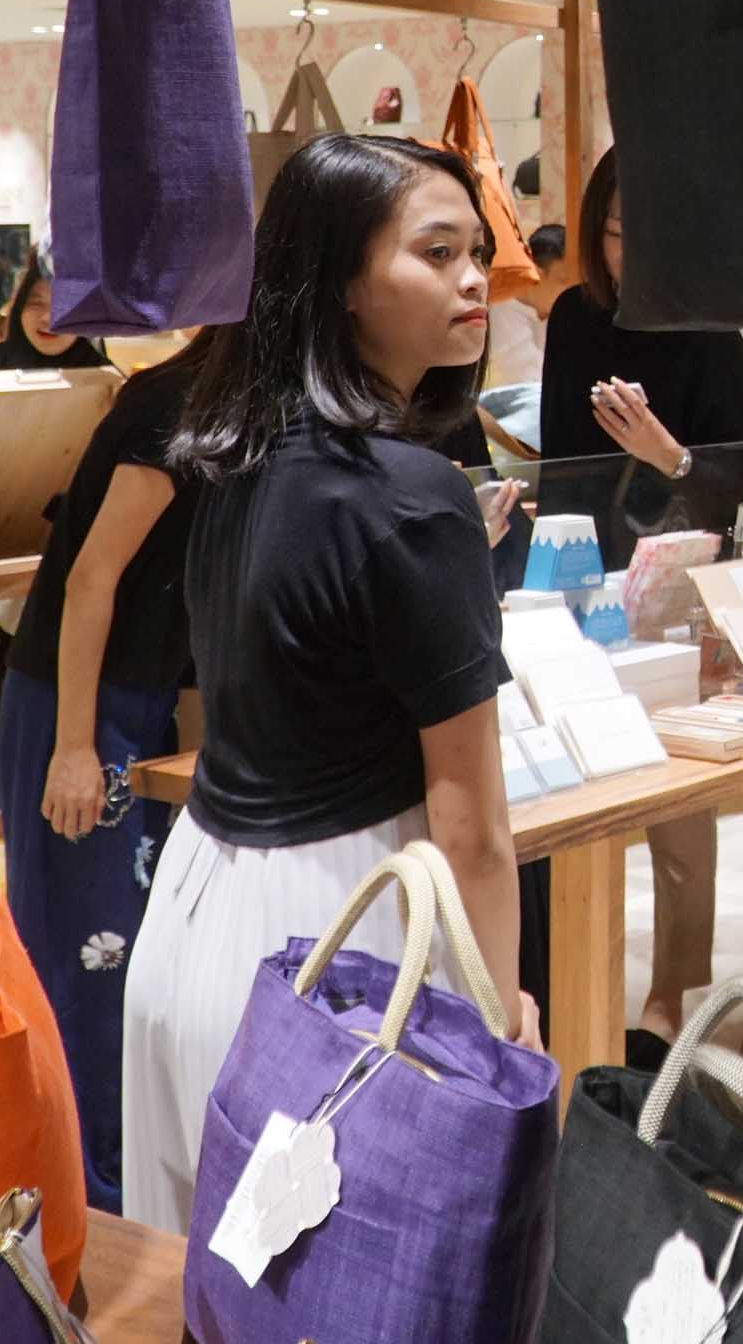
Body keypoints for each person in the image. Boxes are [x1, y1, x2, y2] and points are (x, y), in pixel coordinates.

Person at [118, 135, 534, 1234]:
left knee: (201, 1284)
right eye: (436, 253)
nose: (473, 279)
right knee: (357, 1286)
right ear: (342, 281)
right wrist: (499, 1015)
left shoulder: (231, 459)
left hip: (194, 914)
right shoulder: (413, 497)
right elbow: (474, 831)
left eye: (476, 252)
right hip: (342, 931)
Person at [537, 147, 743, 1043]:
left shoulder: (713, 331)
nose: (631, 255)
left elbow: (733, 485)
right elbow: (559, 461)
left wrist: (666, 453)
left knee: (679, 803)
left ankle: (670, 996)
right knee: (570, 787)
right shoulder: (573, 317)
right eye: (617, 234)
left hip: (673, 587)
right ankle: (567, 983)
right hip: (582, 574)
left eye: (649, 236)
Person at [0, 330, 214, 1215]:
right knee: (83, 951)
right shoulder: (174, 406)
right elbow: (92, 579)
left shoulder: (238, 410)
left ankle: (121, 1189)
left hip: (145, 700)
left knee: (138, 952)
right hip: (76, 704)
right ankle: (77, 1196)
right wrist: (76, 746)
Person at [0, 252, 111, 372]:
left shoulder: (110, 379)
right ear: (19, 309)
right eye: (36, 303)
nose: (48, 318)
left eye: (64, 305)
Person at [480, 222, 567, 392]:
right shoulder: (496, 309)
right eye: (564, 280)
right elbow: (523, 387)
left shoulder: (566, 314)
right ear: (538, 273)